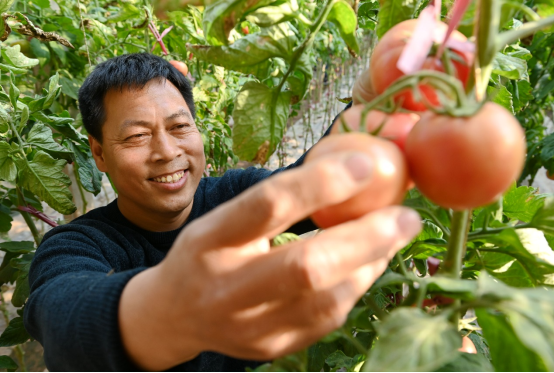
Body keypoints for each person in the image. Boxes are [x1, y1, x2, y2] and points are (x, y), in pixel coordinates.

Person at [23, 53, 421, 372]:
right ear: (98, 153)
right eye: (137, 136)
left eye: (180, 128)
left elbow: (309, 183)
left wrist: (365, 113)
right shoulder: (77, 245)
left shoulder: (232, 195)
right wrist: (170, 310)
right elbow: (63, 316)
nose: (166, 151)